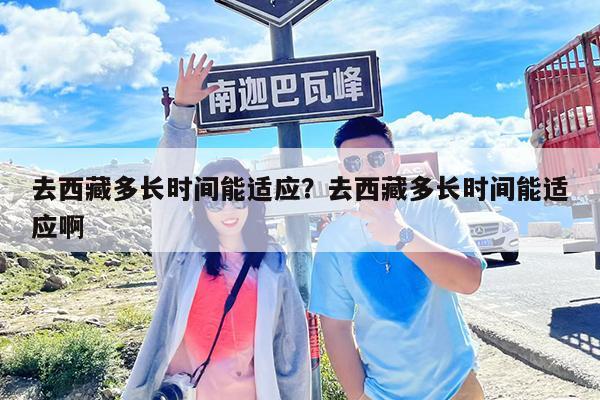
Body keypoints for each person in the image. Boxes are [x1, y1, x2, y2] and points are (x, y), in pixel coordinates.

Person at [122, 53, 311, 400]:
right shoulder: (183, 254)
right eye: (215, 200)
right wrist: (181, 112)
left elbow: (291, 352)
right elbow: (168, 187)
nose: (228, 209)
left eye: (238, 197)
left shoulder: (271, 262)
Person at [308, 116, 487, 400]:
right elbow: (335, 326)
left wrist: (402, 235)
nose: (366, 170)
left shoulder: (432, 206)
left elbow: (469, 281)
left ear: (394, 162)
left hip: (456, 386)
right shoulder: (334, 239)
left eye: (376, 158)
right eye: (353, 163)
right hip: (382, 393)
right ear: (343, 172)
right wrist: (358, 395)